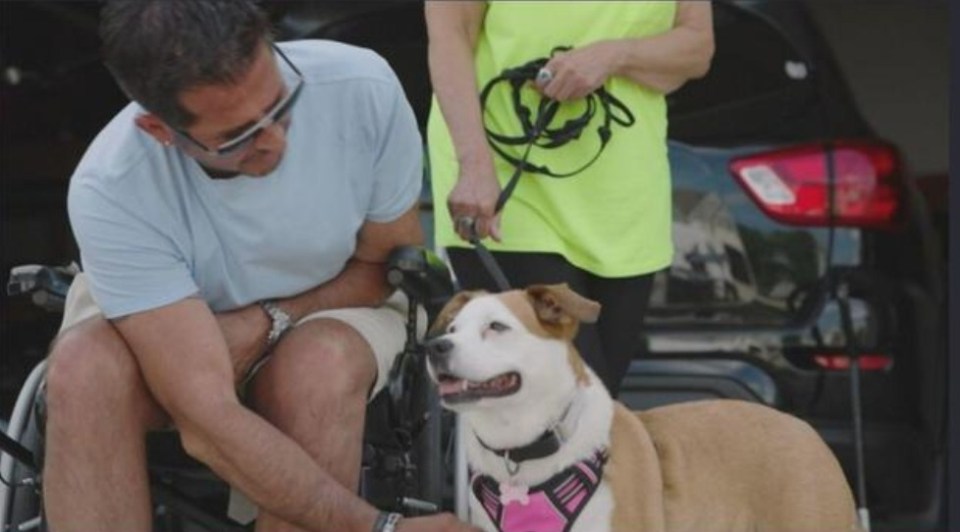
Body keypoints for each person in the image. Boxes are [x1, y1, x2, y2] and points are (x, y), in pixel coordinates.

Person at [42, 1, 478, 531]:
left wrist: (267, 319)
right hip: (174, 316)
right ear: (160, 130)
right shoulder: (110, 186)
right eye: (238, 136)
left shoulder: (360, 86)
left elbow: (381, 266)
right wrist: (377, 527)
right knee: (85, 368)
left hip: (341, 290)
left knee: (319, 368)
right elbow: (205, 422)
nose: (276, 140)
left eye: (281, 104)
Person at [425, 1, 715, 397]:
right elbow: (449, 36)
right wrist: (473, 166)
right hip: (508, 188)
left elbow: (697, 48)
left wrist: (613, 55)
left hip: (622, 194)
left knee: (597, 406)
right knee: (572, 396)